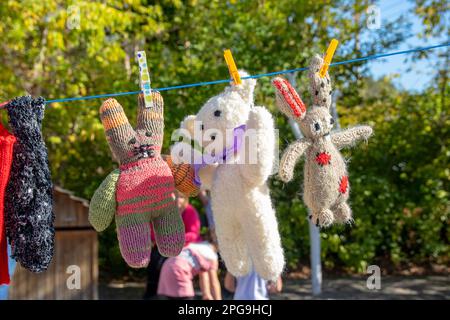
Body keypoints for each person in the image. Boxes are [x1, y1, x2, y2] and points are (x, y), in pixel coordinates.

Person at [143, 191, 202, 299]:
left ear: (185, 199)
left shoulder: (189, 211)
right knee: (154, 262)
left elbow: (193, 233)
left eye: (181, 197)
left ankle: (172, 294)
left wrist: (176, 239)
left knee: (171, 263)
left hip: (183, 247)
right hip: (163, 246)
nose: (177, 199)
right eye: (175, 196)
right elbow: (152, 230)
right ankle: (153, 293)